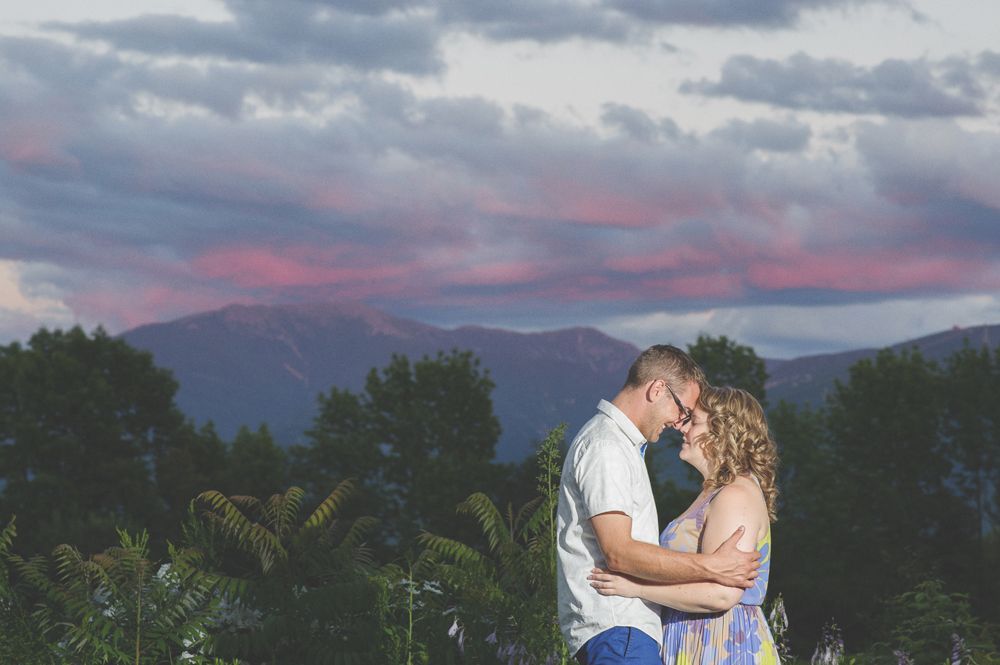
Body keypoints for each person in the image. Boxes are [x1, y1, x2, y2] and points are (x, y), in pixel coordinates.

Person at [557, 346, 761, 664]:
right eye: (683, 410)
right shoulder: (607, 447)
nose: (680, 423)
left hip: (624, 634)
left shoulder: (619, 447)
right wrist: (712, 565)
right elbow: (618, 551)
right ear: (657, 389)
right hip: (620, 630)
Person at [588, 386, 781, 664]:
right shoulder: (714, 492)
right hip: (699, 636)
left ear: (721, 433)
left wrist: (636, 588)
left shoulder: (735, 495)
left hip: (722, 643)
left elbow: (721, 595)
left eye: (694, 421)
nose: (682, 428)